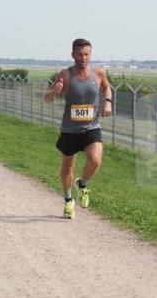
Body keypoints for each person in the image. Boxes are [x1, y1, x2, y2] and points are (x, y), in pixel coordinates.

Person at [44, 38, 112, 219]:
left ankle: (82, 184)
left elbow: (106, 87)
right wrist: (55, 91)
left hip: (92, 126)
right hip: (70, 129)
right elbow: (47, 99)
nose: (83, 58)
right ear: (73, 55)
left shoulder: (99, 73)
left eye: (87, 54)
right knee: (68, 167)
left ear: (90, 55)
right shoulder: (66, 75)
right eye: (80, 54)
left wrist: (107, 102)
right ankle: (68, 200)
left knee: (95, 160)